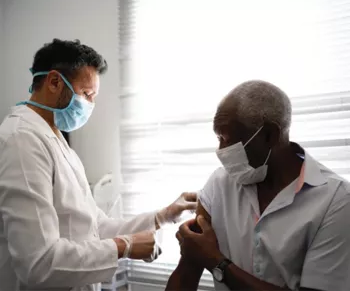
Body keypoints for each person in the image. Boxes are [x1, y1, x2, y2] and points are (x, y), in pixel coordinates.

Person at [0, 39, 197, 291]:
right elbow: (38, 263)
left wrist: (163, 216)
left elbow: (95, 226)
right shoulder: (21, 139)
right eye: (86, 94)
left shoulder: (55, 138)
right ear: (53, 81)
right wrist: (122, 246)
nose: (89, 105)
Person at [166, 80, 350, 291]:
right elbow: (188, 270)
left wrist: (217, 262)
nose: (221, 150)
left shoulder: (336, 201)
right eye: (218, 138)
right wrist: (198, 253)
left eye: (228, 140)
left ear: (270, 135)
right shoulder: (220, 184)